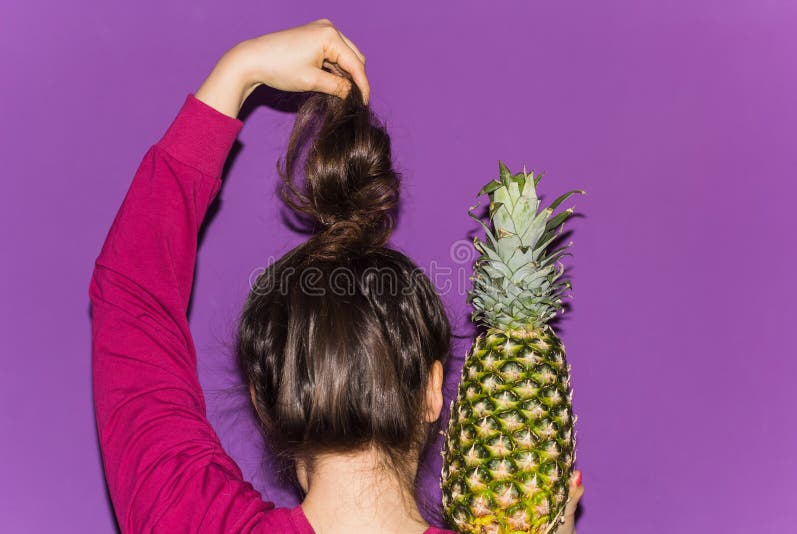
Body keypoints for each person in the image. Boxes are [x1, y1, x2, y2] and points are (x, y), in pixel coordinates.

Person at [89, 18, 584, 533]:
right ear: (435, 391)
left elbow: (132, 294)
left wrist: (239, 71)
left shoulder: (191, 520)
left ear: (267, 402)